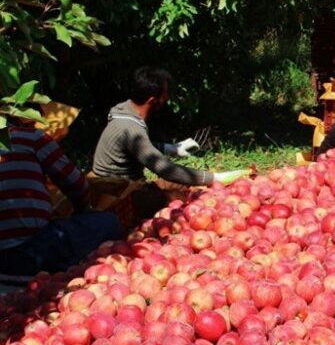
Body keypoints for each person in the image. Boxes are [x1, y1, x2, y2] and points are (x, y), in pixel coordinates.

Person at [91, 67, 246, 216]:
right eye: (165, 94)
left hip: (129, 183)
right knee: (182, 199)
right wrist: (214, 178)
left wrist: (171, 148)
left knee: (186, 185)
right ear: (152, 100)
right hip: (119, 192)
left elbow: (136, 148)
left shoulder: (125, 110)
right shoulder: (131, 128)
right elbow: (165, 170)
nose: (166, 98)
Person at [0, 120, 122, 276]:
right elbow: (78, 185)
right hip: (30, 252)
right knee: (109, 221)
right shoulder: (30, 138)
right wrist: (82, 210)